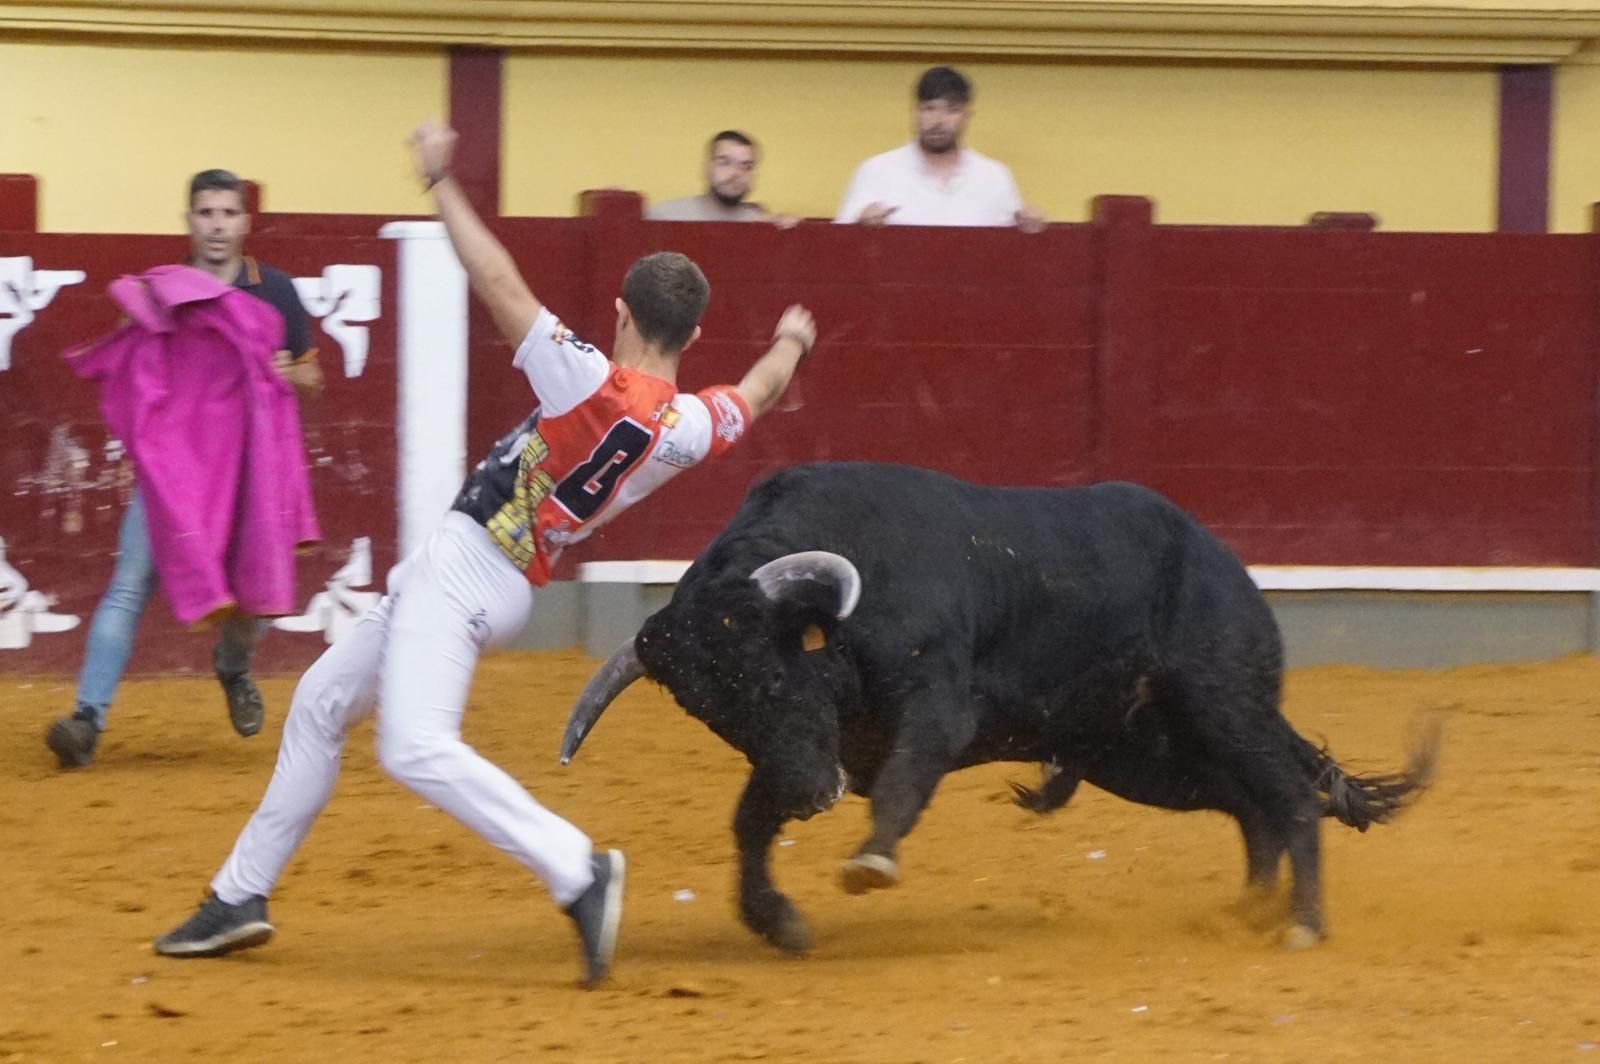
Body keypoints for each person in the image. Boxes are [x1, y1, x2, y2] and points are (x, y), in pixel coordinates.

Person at [151, 120, 819, 990]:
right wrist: (792, 342)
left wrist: (441, 182)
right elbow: (757, 393)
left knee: (413, 745)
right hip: (499, 575)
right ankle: (240, 895)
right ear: (691, 340)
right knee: (319, 702)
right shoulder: (688, 424)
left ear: (620, 313)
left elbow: (496, 277)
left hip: (467, 568)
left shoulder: (584, 375)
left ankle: (577, 870)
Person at [45, 169, 323, 770]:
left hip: (250, 472)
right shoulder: (160, 292)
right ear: (188, 220)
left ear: (246, 221)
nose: (216, 225)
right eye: (205, 213)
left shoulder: (275, 290)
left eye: (227, 213)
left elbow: (312, 375)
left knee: (258, 598)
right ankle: (86, 719)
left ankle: (234, 665)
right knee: (129, 584)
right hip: (177, 475)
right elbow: (131, 368)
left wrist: (285, 373)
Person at [835, 66, 1046, 233]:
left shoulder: (993, 176)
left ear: (966, 115)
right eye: (929, 108)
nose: (938, 120)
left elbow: (1014, 256)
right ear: (916, 112)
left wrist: (1030, 226)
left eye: (951, 110)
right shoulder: (877, 171)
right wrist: (861, 225)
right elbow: (838, 247)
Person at [647, 130, 797, 227]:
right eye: (724, 162)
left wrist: (792, 231)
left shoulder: (762, 224)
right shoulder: (664, 216)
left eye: (746, 166)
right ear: (706, 168)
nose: (735, 173)